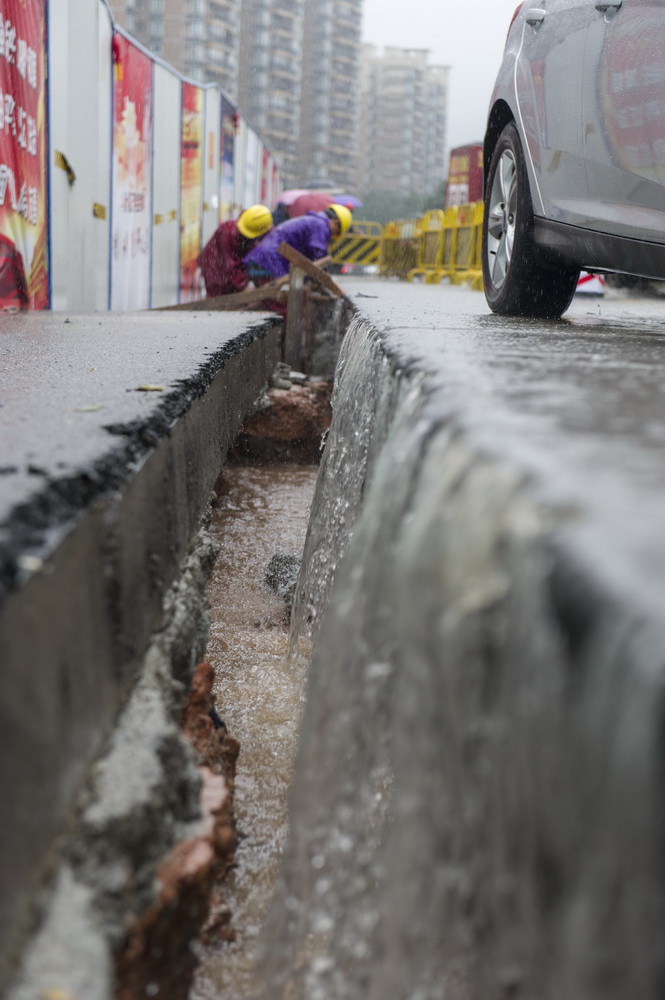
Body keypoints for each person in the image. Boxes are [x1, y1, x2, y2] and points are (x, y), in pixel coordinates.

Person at [242, 203, 352, 285]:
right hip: (269, 260)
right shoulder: (321, 226)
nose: (331, 236)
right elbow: (318, 255)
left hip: (262, 258)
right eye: (335, 232)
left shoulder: (313, 221)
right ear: (336, 223)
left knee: (273, 301)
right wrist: (322, 278)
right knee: (282, 302)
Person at [198, 204, 273, 298]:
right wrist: (244, 286)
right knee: (219, 300)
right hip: (214, 266)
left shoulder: (262, 227)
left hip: (231, 266)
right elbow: (230, 267)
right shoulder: (227, 234)